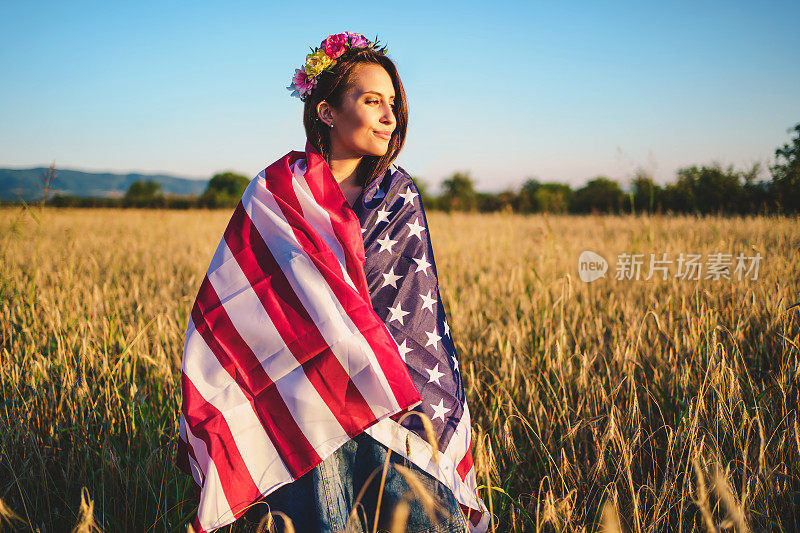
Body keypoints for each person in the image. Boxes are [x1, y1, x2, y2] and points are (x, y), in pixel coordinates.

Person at [177, 32, 487, 533]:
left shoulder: (397, 193)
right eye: (372, 101)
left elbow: (410, 299)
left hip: (395, 383)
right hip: (306, 391)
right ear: (326, 111)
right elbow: (242, 296)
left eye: (393, 104)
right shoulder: (275, 192)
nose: (390, 116)